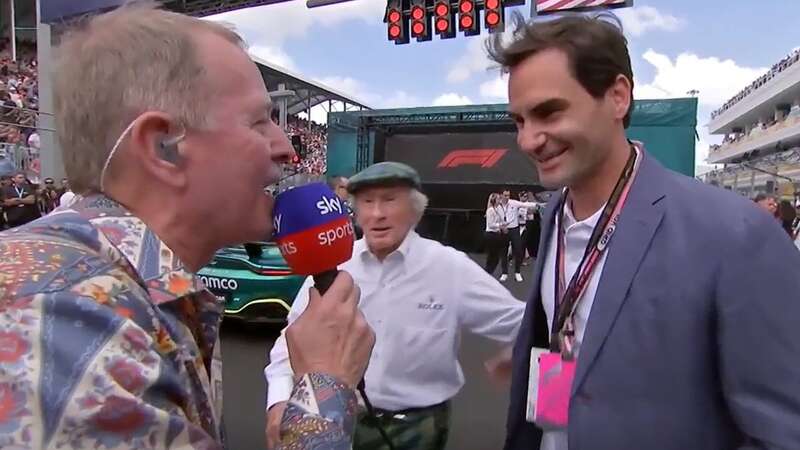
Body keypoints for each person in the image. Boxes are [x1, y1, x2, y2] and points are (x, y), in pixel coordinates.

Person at [0, 4, 374, 449]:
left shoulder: (131, 292)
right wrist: (324, 391)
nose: (285, 149)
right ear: (163, 148)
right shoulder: (74, 328)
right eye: (259, 122)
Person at [484, 13, 800, 450]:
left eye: (548, 112)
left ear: (617, 97)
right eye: (519, 121)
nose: (528, 140)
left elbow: (780, 432)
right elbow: (580, 335)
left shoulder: (736, 235)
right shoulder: (554, 211)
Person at [265, 162, 525, 450]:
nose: (377, 213)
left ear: (415, 209)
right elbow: (291, 339)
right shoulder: (334, 263)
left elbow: (525, 321)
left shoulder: (448, 266)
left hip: (419, 429)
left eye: (390, 200)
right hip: (344, 422)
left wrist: (522, 352)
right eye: (367, 201)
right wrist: (278, 400)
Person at [498, 189, 539, 282]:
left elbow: (525, 204)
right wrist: (499, 226)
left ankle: (517, 272)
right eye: (505, 195)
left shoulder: (513, 203)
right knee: (504, 252)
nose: (507, 197)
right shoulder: (498, 205)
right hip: (504, 229)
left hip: (514, 229)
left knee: (518, 250)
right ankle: (504, 273)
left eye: (508, 195)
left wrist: (537, 205)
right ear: (501, 195)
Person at [485, 192, 509, 274]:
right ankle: (487, 272)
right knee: (492, 256)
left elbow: (499, 221)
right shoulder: (490, 210)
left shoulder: (497, 209)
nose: (500, 200)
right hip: (491, 235)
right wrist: (500, 225)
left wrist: (504, 224)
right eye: (498, 198)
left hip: (496, 234)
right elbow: (490, 224)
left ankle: (489, 272)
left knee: (495, 257)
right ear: (494, 200)